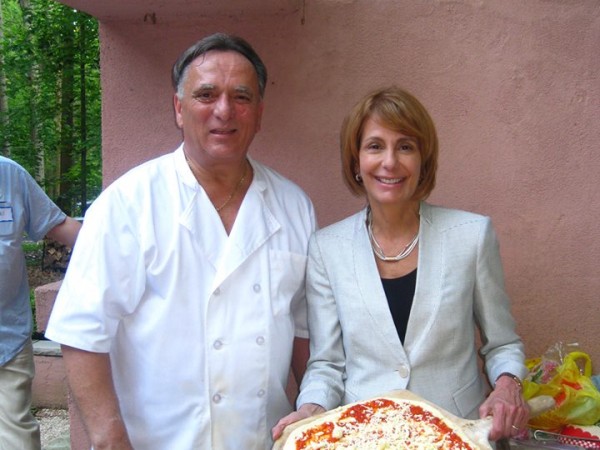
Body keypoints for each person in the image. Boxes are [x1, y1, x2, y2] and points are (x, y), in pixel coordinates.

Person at [45, 32, 316, 449]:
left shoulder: (294, 205)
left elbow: (301, 329)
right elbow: (83, 332)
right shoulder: (127, 203)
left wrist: (314, 413)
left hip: (263, 440)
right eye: (206, 94)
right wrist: (108, 438)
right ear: (179, 107)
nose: (224, 110)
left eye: (241, 97)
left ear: (259, 113)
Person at [273, 86, 529, 443]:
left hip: (458, 434)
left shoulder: (471, 235)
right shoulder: (326, 248)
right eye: (375, 146)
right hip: (366, 438)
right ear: (356, 161)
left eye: (405, 146)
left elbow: (502, 344)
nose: (390, 161)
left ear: (423, 159)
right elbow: (328, 364)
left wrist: (506, 386)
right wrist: (310, 410)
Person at [0, 155, 81, 450]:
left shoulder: (9, 175)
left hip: (6, 338)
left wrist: (127, 249)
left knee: (17, 440)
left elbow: (58, 224)